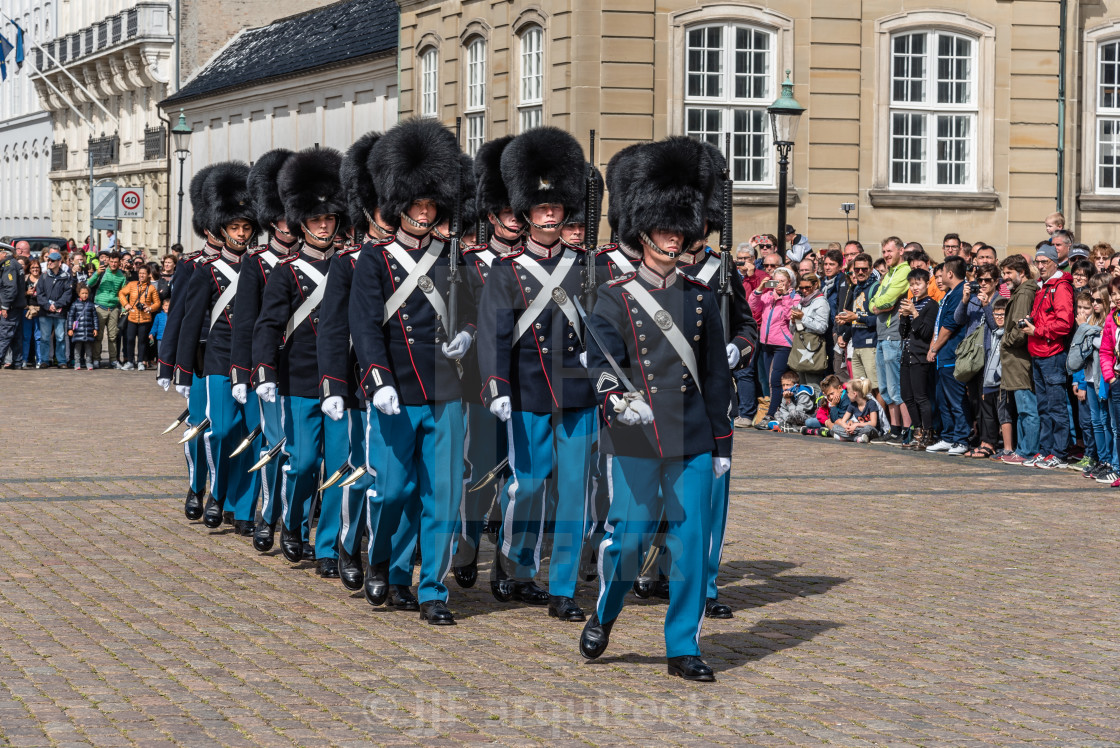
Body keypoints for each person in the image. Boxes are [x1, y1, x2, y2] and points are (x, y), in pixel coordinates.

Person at [581, 135, 734, 682]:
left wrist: (721, 444)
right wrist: (616, 399)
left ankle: (682, 647)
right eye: (666, 227)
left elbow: (716, 378)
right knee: (630, 539)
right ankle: (605, 611)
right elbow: (600, 358)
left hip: (691, 435)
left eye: (681, 228)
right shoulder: (614, 296)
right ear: (643, 231)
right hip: (639, 436)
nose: (674, 236)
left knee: (691, 546)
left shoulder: (700, 297)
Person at [350, 118, 472, 626]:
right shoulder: (374, 260)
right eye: (416, 205)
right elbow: (363, 325)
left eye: (430, 205)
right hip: (396, 391)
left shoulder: (452, 258)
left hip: (446, 390)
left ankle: (431, 588)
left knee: (441, 496)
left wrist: (466, 333)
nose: (424, 213)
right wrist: (377, 380)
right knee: (395, 490)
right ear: (399, 204)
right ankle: (385, 561)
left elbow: (470, 310)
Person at [476, 126, 595, 620]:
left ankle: (562, 586)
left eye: (557, 208)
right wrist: (495, 385)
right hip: (525, 390)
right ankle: (516, 562)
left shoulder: (589, 267)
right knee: (528, 484)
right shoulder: (507, 270)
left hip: (578, 392)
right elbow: (492, 334)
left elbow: (607, 326)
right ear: (525, 213)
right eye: (541, 208)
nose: (550, 215)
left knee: (574, 493)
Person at [254, 146, 357, 580]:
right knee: (302, 464)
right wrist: (263, 372)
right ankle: (293, 523)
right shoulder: (286, 271)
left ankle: (329, 543)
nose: (324, 226)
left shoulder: (352, 267)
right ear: (302, 223)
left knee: (338, 466)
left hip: (341, 380)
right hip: (298, 377)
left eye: (330, 219)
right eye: (317, 220)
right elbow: (267, 325)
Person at [322, 132, 411, 594]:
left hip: (400, 380)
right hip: (362, 383)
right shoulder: (350, 262)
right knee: (361, 471)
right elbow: (336, 330)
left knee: (392, 478)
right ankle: (347, 545)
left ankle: (391, 559)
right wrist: (334, 386)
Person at [174, 161, 264, 534]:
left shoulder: (264, 266)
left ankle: (241, 509)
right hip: (212, 357)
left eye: (246, 226)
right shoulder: (200, 267)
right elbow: (184, 321)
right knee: (215, 429)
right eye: (235, 226)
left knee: (252, 437)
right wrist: (176, 367)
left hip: (255, 360)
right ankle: (205, 488)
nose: (241, 233)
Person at [453, 135, 522, 591]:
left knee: (521, 480)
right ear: (492, 214)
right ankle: (466, 545)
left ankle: (511, 564)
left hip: (530, 380)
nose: (516, 220)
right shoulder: (470, 261)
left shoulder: (539, 263)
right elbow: (458, 314)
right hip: (480, 381)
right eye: (510, 212)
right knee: (479, 473)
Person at [228, 149, 301, 554]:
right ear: (274, 219)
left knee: (311, 456)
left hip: (312, 367)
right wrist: (245, 371)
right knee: (277, 447)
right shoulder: (258, 262)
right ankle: (268, 511)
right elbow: (247, 323)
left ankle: (300, 522)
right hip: (271, 368)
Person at [156, 164, 224, 522]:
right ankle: (197, 485)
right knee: (199, 428)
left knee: (233, 432)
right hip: (198, 358)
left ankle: (222, 493)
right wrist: (170, 364)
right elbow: (178, 319)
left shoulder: (254, 263)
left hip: (234, 356)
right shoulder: (192, 265)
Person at [1019, 244, 1075, 468]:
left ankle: (1060, 453)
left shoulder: (1060, 287)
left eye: (1045, 262)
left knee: (1056, 406)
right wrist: (1031, 321)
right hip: (1039, 352)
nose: (1040, 266)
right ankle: (1046, 449)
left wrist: (1038, 331)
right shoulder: (1043, 286)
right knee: (1043, 406)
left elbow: (1064, 323)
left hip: (1052, 353)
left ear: (1055, 262)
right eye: (1038, 262)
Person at [997, 255, 1042, 464]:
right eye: (1003, 273)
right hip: (1015, 359)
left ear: (1021, 272)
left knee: (1027, 408)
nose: (1005, 277)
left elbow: (1021, 328)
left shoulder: (1024, 293)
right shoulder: (1020, 292)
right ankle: (1023, 448)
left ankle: (1027, 450)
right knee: (1023, 408)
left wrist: (1005, 341)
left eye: (1008, 273)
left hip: (1019, 359)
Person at [924, 256, 971, 455]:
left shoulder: (960, 292)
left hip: (953, 355)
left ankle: (961, 439)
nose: (940, 277)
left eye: (942, 273)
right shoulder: (949, 294)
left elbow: (949, 326)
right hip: (943, 357)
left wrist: (934, 348)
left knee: (956, 399)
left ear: (950, 273)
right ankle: (948, 436)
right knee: (943, 399)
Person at [868, 237, 911, 443]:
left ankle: (906, 429)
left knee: (897, 387)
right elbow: (872, 302)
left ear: (901, 251)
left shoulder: (904, 271)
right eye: (884, 251)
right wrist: (879, 305)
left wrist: (880, 305)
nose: (886, 255)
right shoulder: (888, 273)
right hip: (882, 335)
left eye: (889, 251)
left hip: (894, 334)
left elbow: (888, 299)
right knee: (885, 387)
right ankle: (894, 429)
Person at [749, 265, 799, 423]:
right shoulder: (767, 296)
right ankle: (773, 408)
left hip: (783, 344)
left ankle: (771, 414)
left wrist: (784, 296)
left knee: (775, 379)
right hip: (766, 343)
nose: (778, 284)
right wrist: (759, 289)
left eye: (782, 281)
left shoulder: (793, 297)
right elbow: (753, 307)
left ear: (789, 282)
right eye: (775, 281)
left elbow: (788, 315)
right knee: (766, 379)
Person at [898, 268, 938, 450]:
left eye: (918, 283)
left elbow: (925, 332)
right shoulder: (911, 302)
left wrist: (914, 313)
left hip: (920, 356)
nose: (915, 288)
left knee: (921, 397)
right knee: (907, 396)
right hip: (906, 354)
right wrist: (904, 318)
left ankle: (928, 433)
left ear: (927, 283)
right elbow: (903, 333)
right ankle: (917, 430)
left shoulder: (931, 305)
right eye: (912, 284)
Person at [85, 252, 127, 368]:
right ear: (108, 261)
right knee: (98, 336)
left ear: (119, 263)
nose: (113, 264)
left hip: (114, 308)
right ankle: (96, 359)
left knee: (113, 336)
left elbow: (123, 294)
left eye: (116, 262)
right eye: (112, 262)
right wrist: (97, 273)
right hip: (100, 307)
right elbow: (89, 284)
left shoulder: (121, 276)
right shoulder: (102, 271)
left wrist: (123, 309)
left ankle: (113, 360)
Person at [790, 271, 829, 387]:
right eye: (801, 288)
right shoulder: (801, 302)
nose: (804, 290)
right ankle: (805, 405)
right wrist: (793, 322)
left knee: (813, 384)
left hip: (813, 345)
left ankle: (817, 405)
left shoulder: (821, 302)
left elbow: (822, 328)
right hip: (801, 342)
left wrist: (802, 317)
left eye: (807, 287)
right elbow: (795, 328)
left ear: (815, 285)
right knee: (802, 383)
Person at [117, 264, 160, 370]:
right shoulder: (132, 284)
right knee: (130, 340)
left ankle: (140, 361)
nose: (141, 275)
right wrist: (126, 304)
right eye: (140, 273)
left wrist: (149, 308)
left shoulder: (151, 288)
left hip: (145, 319)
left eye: (144, 273)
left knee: (142, 341)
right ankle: (130, 362)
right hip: (132, 317)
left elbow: (157, 303)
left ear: (148, 275)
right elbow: (121, 293)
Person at [35, 251, 73, 368]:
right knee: (45, 337)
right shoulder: (44, 275)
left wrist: (56, 305)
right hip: (45, 312)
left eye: (52, 261)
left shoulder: (66, 277)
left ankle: (61, 361)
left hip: (59, 312)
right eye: (49, 260)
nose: (49, 262)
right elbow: (39, 294)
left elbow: (68, 294)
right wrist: (47, 305)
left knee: (60, 337)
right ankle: (45, 360)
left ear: (59, 262)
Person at [832, 376, 881, 442]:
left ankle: (848, 438)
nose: (847, 394)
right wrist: (847, 427)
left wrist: (856, 425)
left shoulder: (871, 403)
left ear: (854, 394)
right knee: (835, 427)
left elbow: (873, 423)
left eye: (848, 392)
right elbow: (843, 421)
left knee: (868, 429)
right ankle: (858, 438)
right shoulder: (852, 405)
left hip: (870, 430)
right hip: (857, 430)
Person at [0, 245, 26, 367]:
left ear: (4, 254)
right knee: (15, 336)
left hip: (11, 307)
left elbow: (10, 288)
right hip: (16, 306)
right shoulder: (13, 264)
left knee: (5, 335)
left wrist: (5, 306)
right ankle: (17, 362)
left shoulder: (9, 266)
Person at [66, 284, 99, 370]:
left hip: (88, 330)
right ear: (78, 294)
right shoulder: (74, 304)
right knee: (77, 348)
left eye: (86, 293)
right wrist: (70, 329)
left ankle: (88, 363)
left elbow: (95, 317)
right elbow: (71, 317)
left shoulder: (91, 305)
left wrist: (95, 328)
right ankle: (77, 363)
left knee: (88, 348)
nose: (84, 295)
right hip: (78, 331)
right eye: (83, 293)